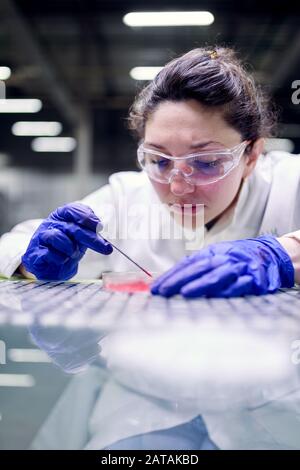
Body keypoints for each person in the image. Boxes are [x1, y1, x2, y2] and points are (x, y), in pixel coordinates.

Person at [1, 46, 300, 449]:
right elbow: (15, 244)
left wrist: (283, 254)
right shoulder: (128, 195)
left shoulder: (290, 185)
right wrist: (34, 262)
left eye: (207, 161)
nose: (178, 185)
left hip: (269, 412)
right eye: (159, 160)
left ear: (252, 155)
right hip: (143, 409)